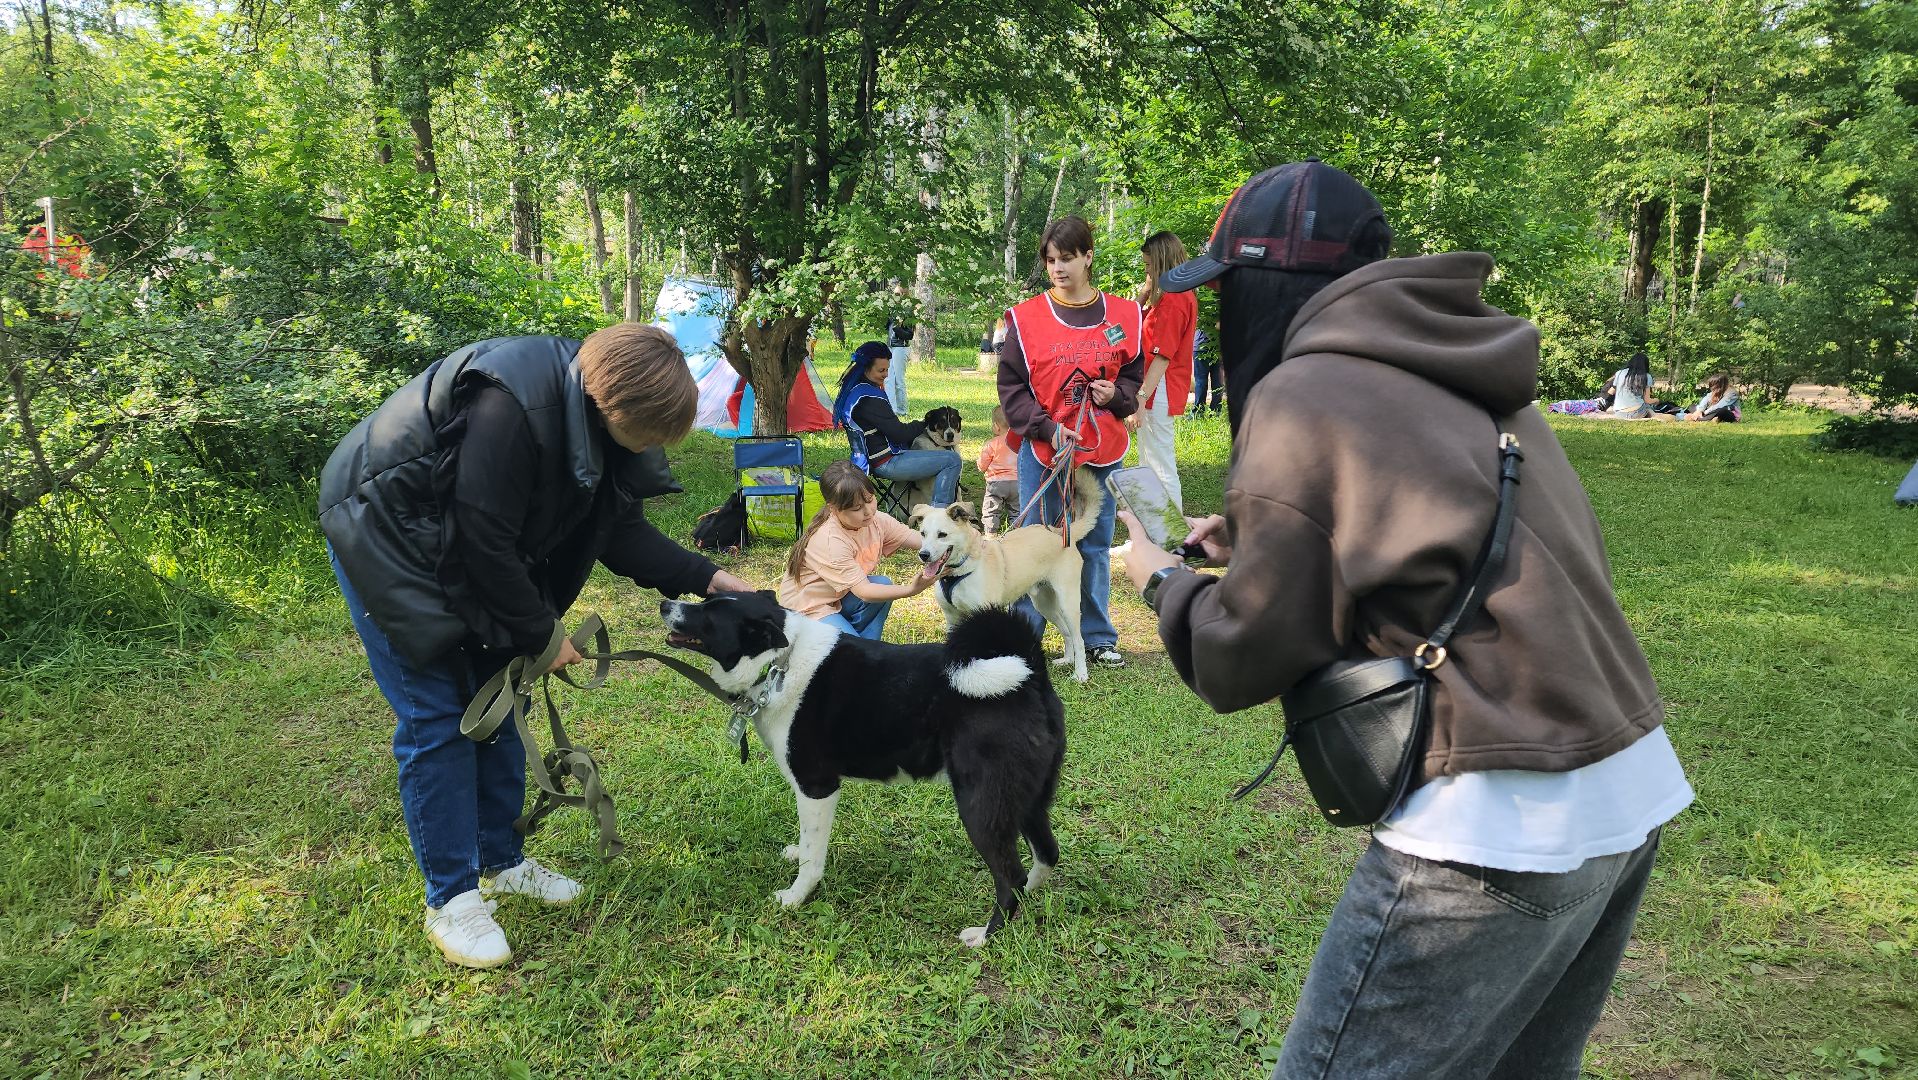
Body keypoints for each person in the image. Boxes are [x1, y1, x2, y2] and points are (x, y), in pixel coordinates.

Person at [1117, 161, 1692, 1079]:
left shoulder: (1303, 393)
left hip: (1496, 818)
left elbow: (1238, 657)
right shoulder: (1475, 370)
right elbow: (1457, 543)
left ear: (1261, 288)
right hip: (1626, 784)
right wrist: (1271, 536)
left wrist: (1157, 579)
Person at [318, 326, 755, 969]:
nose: (659, 450)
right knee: (441, 714)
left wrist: (712, 579)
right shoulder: (509, 407)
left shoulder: (596, 412)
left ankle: (502, 859)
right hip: (388, 536)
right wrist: (543, 636)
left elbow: (620, 531)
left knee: (499, 702)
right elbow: (481, 544)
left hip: (464, 541)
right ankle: (453, 899)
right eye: (654, 438)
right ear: (617, 411)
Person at [998, 214, 1145, 669]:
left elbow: (1133, 378)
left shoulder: (1124, 315)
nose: (1058, 268)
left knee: (1095, 544)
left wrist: (1115, 395)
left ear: (1088, 256)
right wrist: (1045, 426)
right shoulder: (1026, 318)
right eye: (1050, 260)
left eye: (1066, 258)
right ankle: (1025, 637)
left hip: (1101, 448)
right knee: (1035, 544)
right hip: (1045, 448)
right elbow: (1012, 388)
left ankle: (1097, 636)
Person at [777, 461, 937, 638]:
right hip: (807, 611)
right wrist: (911, 590)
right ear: (834, 509)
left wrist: (958, 539)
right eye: (857, 508)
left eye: (870, 500)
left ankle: (868, 649)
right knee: (850, 653)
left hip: (838, 598)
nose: (868, 511)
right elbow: (865, 592)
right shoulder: (831, 540)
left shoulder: (875, 521)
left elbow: (919, 540)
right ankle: (856, 653)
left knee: (882, 585)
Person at [834, 340, 962, 507]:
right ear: (866, 368)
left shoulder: (856, 390)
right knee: (952, 460)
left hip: (870, 459)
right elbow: (899, 433)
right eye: (881, 370)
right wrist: (924, 422)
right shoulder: (870, 399)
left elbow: (891, 428)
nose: (886, 374)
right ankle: (939, 513)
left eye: (887, 369)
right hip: (886, 463)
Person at [1127, 230, 1198, 514]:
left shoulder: (1175, 299)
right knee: (1149, 462)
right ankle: (1153, 535)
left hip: (1161, 387)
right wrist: (1145, 292)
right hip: (1157, 387)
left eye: (1148, 265)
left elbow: (1163, 357)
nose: (1146, 270)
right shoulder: (1167, 296)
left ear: (1161, 262)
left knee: (1159, 464)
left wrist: (1141, 400)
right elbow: (1130, 319)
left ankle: (1171, 541)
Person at [977, 406, 1021, 533]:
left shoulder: (991, 444)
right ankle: (1016, 534)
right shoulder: (1020, 442)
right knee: (1017, 510)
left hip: (996, 484)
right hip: (1017, 482)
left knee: (991, 509)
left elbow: (982, 465)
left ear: (996, 427)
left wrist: (981, 466)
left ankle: (990, 534)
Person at [885, 294, 914, 414]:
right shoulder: (892, 314)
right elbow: (886, 328)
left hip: (900, 348)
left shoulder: (907, 315)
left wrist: (898, 327)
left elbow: (909, 335)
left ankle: (902, 409)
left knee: (899, 381)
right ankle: (892, 408)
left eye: (898, 296)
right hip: (890, 348)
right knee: (888, 379)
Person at [1190, 317, 1224, 417]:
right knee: (1217, 381)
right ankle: (1215, 411)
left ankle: (1198, 412)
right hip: (1214, 347)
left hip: (1201, 345)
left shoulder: (1201, 304)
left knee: (1201, 381)